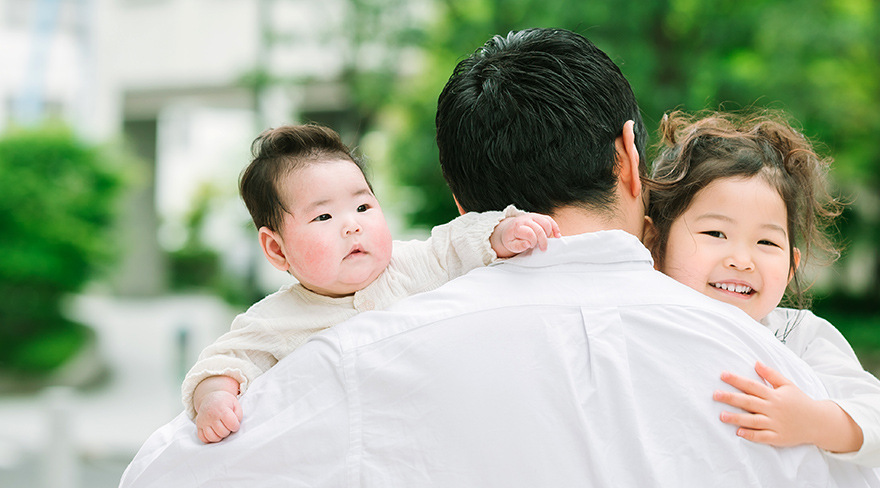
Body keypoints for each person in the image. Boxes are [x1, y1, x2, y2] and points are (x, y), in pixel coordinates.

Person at [119, 28, 880, 487]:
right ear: (627, 157)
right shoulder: (769, 370)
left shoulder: (360, 357)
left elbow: (161, 477)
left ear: (460, 202)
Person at [183, 123, 560, 444]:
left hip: (438, 428)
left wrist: (500, 232)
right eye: (324, 216)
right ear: (276, 249)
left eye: (363, 207)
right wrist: (214, 397)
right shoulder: (275, 320)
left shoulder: (413, 264)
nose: (352, 225)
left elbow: (455, 243)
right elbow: (225, 361)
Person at [644, 110, 880, 466]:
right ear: (653, 243)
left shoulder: (799, 336)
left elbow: (873, 417)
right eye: (715, 233)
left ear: (791, 268)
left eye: (767, 242)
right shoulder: (645, 322)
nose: (742, 260)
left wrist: (813, 421)